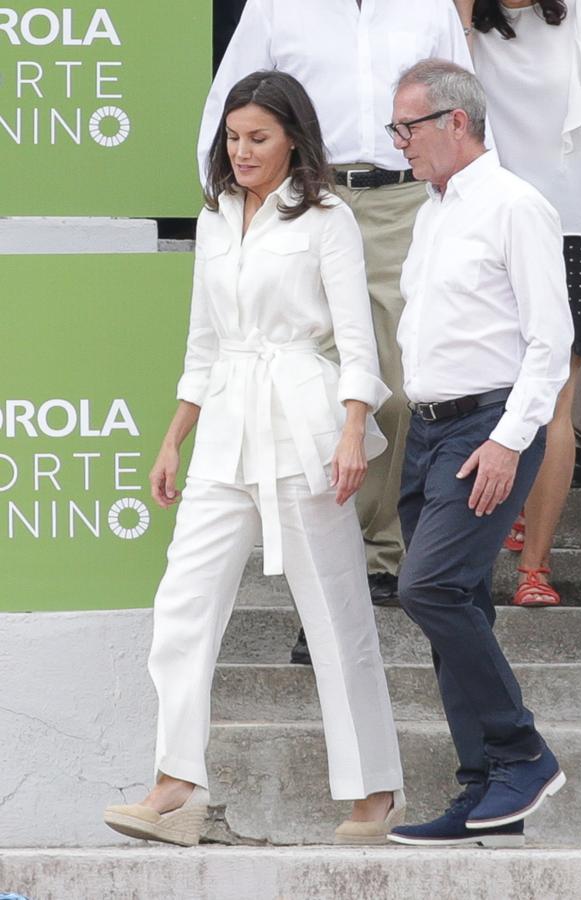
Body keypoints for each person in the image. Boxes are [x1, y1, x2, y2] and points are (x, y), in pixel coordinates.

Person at [103, 70, 405, 847]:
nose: (241, 151)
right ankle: (176, 784)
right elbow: (204, 342)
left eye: (258, 138)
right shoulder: (213, 217)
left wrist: (350, 431)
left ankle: (373, 790)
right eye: (233, 138)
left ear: (294, 140)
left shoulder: (328, 216)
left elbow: (358, 339)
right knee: (181, 604)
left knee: (335, 610)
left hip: (305, 420)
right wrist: (174, 436)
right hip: (225, 426)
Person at [197, 2, 475, 664]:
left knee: (402, 386)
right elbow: (227, 105)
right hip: (307, 198)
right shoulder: (274, 5)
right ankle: (325, 570)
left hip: (404, 202)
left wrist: (474, 208)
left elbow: (467, 108)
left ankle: (380, 555)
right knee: (314, 400)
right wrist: (231, 212)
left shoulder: (427, 5)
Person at [384, 60, 572, 848]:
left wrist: (507, 440)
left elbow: (550, 340)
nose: (399, 145)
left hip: (484, 428)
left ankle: (522, 750)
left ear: (456, 122)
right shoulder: (433, 210)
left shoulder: (516, 206)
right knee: (458, 603)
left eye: (408, 128)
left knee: (425, 588)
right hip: (428, 431)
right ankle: (484, 789)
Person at [452, 0, 581, 605]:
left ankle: (534, 568)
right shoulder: (462, 29)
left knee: (554, 397)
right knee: (488, 385)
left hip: (574, 221)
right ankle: (494, 528)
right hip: (487, 219)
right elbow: (440, 87)